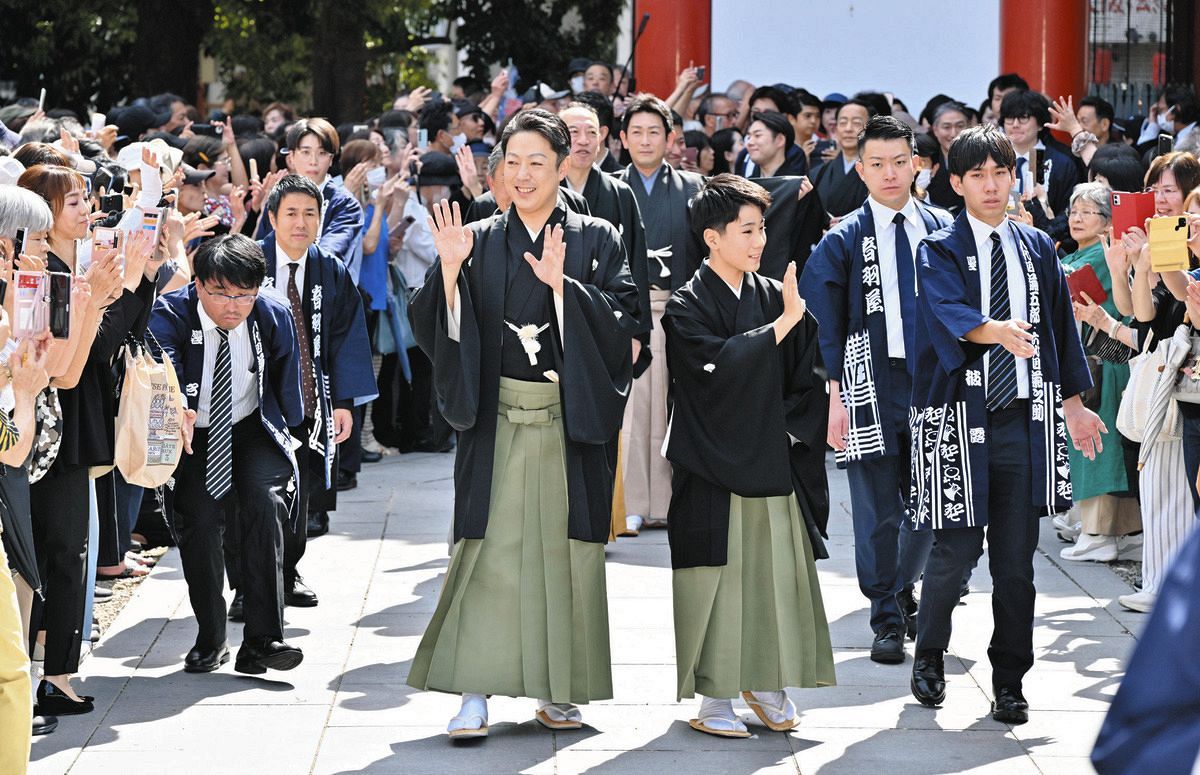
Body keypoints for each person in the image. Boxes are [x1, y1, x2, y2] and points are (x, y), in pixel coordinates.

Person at [405, 109, 639, 737]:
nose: (524, 174)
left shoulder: (597, 238)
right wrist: (448, 272)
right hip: (496, 420)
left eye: (538, 162)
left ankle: (558, 690)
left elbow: (626, 327)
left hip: (568, 421)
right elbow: (432, 326)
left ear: (564, 167)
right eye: (513, 162)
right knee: (488, 554)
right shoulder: (477, 238)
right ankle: (474, 691)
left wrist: (565, 291)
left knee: (564, 557)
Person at [907, 124, 1102, 725]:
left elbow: (1060, 331)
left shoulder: (1037, 246)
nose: (991, 185)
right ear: (957, 183)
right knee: (955, 550)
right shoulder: (938, 247)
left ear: (1013, 177)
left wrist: (1074, 403)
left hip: (1022, 420)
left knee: (1016, 563)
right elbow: (946, 311)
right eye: (978, 176)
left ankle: (1010, 679)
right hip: (956, 417)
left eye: (1000, 173)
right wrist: (995, 331)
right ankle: (930, 653)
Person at [664, 173, 834, 738]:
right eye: (747, 230)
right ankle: (713, 695)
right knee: (716, 581)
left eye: (762, 228)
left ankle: (765, 681)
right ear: (712, 237)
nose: (759, 241)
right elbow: (709, 377)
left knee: (771, 577)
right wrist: (781, 326)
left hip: (769, 461)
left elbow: (805, 379)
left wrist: (780, 432)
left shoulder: (772, 295)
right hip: (710, 465)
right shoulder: (686, 305)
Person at [802, 115, 953, 663]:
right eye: (877, 164)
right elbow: (821, 323)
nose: (890, 173)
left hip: (937, 381)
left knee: (935, 502)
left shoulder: (945, 228)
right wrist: (834, 396)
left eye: (899, 162)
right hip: (871, 381)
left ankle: (902, 585)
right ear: (861, 170)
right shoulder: (842, 239)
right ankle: (886, 616)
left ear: (917, 165)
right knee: (875, 509)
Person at [149, 233, 305, 675]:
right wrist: (178, 408)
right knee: (198, 523)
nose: (232, 306)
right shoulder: (170, 314)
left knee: (264, 505)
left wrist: (295, 430)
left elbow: (286, 377)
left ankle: (263, 640)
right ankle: (211, 635)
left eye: (244, 295)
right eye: (220, 293)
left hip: (251, 425)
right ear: (198, 284)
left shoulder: (271, 312)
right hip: (192, 432)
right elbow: (165, 369)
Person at [252, 174, 375, 599]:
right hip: (256, 400)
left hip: (308, 399)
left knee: (300, 491)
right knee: (255, 496)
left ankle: (288, 573)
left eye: (310, 213)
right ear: (272, 218)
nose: (300, 223)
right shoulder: (250, 262)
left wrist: (343, 402)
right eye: (291, 213)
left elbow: (346, 336)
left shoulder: (329, 269)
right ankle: (250, 586)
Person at [617, 94, 705, 535]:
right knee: (632, 409)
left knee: (677, 405)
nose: (646, 140)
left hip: (680, 310)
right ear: (622, 139)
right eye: (637, 132)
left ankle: (673, 501)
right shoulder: (611, 188)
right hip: (627, 313)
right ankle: (632, 502)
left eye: (655, 131)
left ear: (671, 138)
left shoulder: (694, 188)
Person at [1055, 183, 1141, 563]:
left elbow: (1064, 282)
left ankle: (1097, 532)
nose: (1076, 218)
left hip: (1106, 360)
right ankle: (1125, 531)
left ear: (1108, 222)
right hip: (1102, 360)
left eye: (1087, 212)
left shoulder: (1103, 255)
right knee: (1105, 448)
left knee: (1098, 449)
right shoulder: (1085, 253)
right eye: (1074, 211)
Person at [811, 99, 872, 218]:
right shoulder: (817, 173)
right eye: (843, 123)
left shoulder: (881, 173)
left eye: (856, 123)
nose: (848, 129)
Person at [925, 101, 968, 213]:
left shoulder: (981, 158)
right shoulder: (926, 161)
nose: (953, 133)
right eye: (947, 127)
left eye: (960, 126)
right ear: (935, 130)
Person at [739, 111, 807, 178]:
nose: (749, 142)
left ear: (780, 140)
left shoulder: (797, 182)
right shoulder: (747, 183)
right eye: (749, 137)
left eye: (757, 135)